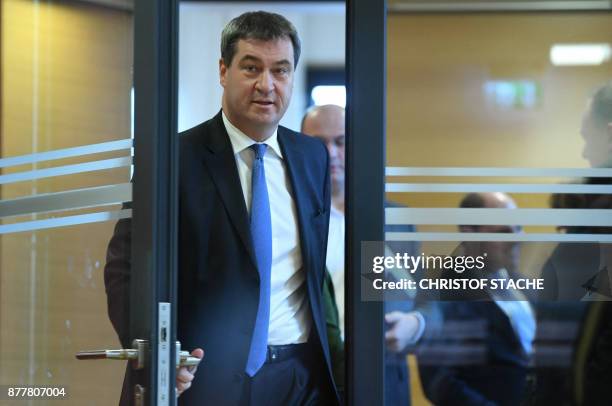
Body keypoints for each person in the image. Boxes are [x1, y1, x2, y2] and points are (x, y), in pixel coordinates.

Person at [105, 11, 339, 405]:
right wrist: (156, 356)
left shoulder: (312, 156)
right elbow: (124, 267)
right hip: (203, 375)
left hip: (298, 376)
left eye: (281, 71)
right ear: (223, 71)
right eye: (252, 68)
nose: (267, 85)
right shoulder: (172, 158)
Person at [301, 104, 437, 405]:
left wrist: (415, 323)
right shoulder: (287, 216)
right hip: (309, 380)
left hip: (383, 378)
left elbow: (426, 300)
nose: (331, 153)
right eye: (318, 142)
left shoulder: (397, 221)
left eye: (340, 141)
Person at [418, 192, 536, 406]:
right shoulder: (440, 292)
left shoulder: (526, 287)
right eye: (504, 231)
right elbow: (438, 381)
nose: (517, 239)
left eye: (519, 228)